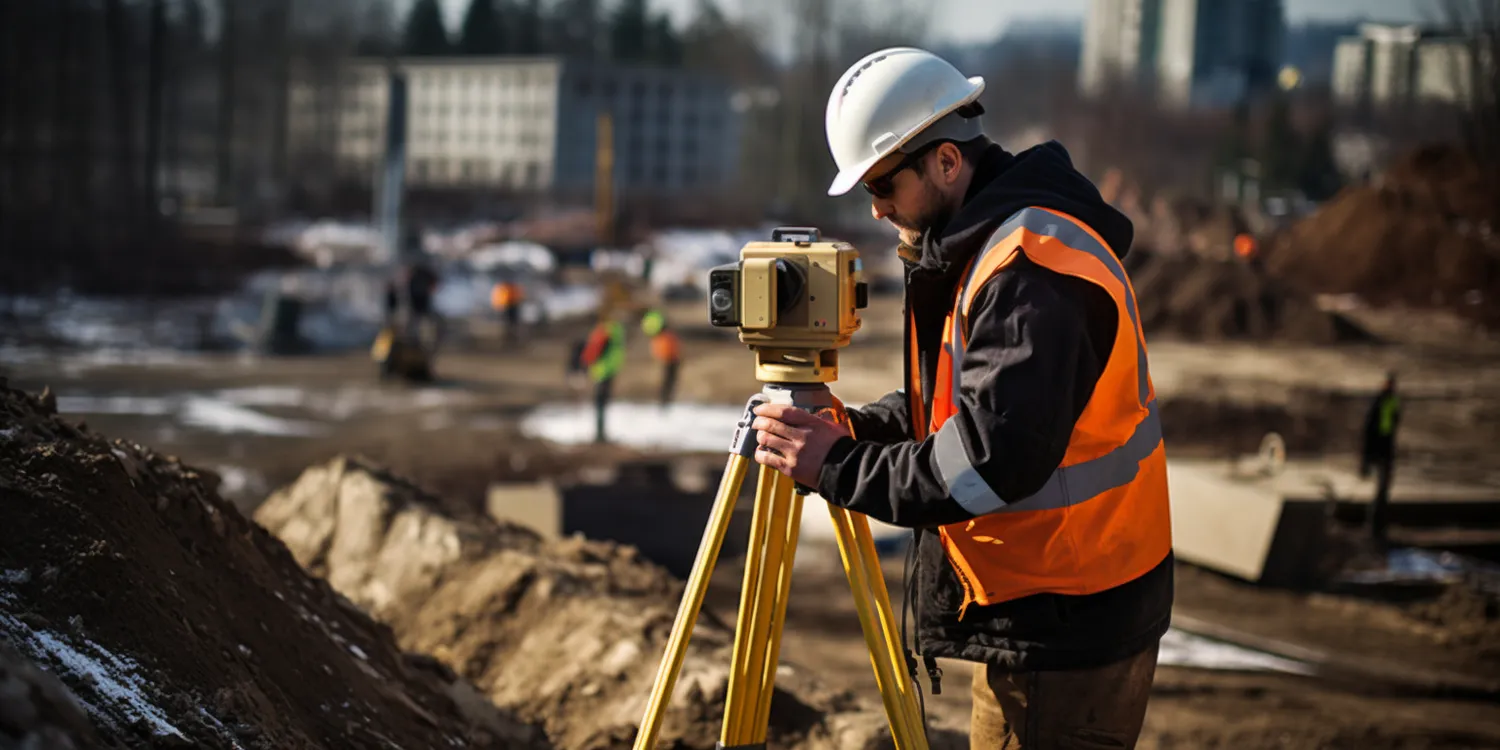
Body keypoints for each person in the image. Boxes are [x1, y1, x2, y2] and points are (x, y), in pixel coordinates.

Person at [748, 47, 1173, 749]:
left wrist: (837, 466)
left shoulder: (1029, 268)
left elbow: (986, 460)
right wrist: (854, 428)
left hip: (1064, 621)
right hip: (1054, 598)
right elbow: (960, 404)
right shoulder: (986, 243)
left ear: (947, 161)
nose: (878, 209)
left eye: (883, 185)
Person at [1361, 372, 1402, 546]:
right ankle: (1375, 528)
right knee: (1381, 491)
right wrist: (1366, 457)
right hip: (1380, 452)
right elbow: (1371, 431)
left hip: (1384, 451)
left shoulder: (1391, 402)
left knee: (1382, 491)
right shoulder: (1381, 402)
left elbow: (1390, 428)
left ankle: (1378, 527)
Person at [579, 314, 626, 443]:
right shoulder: (617, 331)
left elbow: (593, 351)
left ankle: (599, 434)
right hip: (610, 369)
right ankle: (601, 432)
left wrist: (585, 364)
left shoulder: (603, 333)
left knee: (600, 402)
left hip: (602, 371)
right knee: (603, 402)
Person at [641, 308, 681, 408]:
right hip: (668, 360)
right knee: (667, 382)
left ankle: (665, 401)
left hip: (670, 360)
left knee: (668, 382)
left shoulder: (663, 336)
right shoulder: (664, 337)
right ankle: (664, 401)